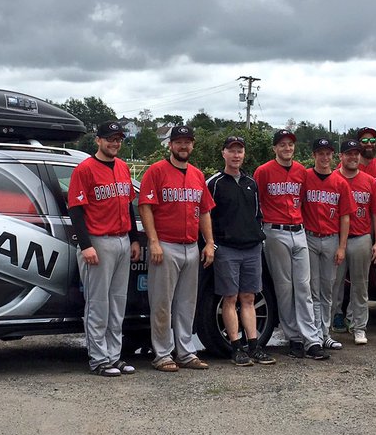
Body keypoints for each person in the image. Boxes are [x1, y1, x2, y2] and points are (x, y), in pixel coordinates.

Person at [67, 120, 143, 376]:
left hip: (122, 240)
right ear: (98, 140)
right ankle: (98, 359)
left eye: (118, 139)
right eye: (110, 138)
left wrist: (134, 238)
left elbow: (128, 206)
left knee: (117, 304)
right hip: (98, 241)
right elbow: (76, 210)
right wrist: (86, 245)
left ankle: (114, 356)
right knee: (98, 305)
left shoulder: (122, 167)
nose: (115, 143)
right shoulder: (85, 169)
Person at [138, 125, 216, 372]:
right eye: (179, 142)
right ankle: (162, 354)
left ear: (192, 145)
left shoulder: (197, 175)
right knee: (162, 303)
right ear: (170, 145)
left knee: (186, 304)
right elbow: (145, 206)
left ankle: (185, 352)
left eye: (187, 142)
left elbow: (204, 210)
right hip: (166, 244)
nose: (184, 146)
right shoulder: (156, 171)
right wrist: (153, 241)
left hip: (191, 246)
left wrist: (209, 243)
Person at [254, 129, 328, 360]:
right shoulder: (263, 171)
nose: (287, 148)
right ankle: (294, 338)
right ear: (275, 148)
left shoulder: (300, 171)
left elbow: (303, 200)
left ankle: (312, 340)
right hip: (275, 231)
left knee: (304, 287)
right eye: (282, 145)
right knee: (285, 288)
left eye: (290, 144)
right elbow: (257, 202)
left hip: (299, 230)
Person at [206, 135, 276, 366]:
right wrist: (212, 244)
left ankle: (254, 346)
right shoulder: (214, 183)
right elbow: (206, 216)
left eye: (240, 151)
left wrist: (257, 237)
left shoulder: (251, 183)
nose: (236, 155)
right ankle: (236, 347)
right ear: (223, 153)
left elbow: (257, 214)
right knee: (230, 298)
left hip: (251, 247)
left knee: (249, 297)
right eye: (232, 151)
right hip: (227, 249)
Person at [331, 128, 376, 331]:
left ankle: (357, 324)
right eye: (349, 153)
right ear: (341, 156)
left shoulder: (372, 177)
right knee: (334, 283)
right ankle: (333, 318)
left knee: (360, 284)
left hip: (362, 235)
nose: (353, 157)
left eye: (356, 153)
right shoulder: (334, 177)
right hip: (335, 237)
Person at [302, 138, 355, 350]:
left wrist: (342, 247)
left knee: (328, 289)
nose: (325, 157)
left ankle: (325, 333)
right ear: (314, 155)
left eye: (328, 154)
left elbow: (345, 217)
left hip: (331, 238)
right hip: (309, 236)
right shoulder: (305, 177)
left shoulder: (340, 182)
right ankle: (315, 333)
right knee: (312, 289)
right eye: (321, 153)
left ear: (333, 156)